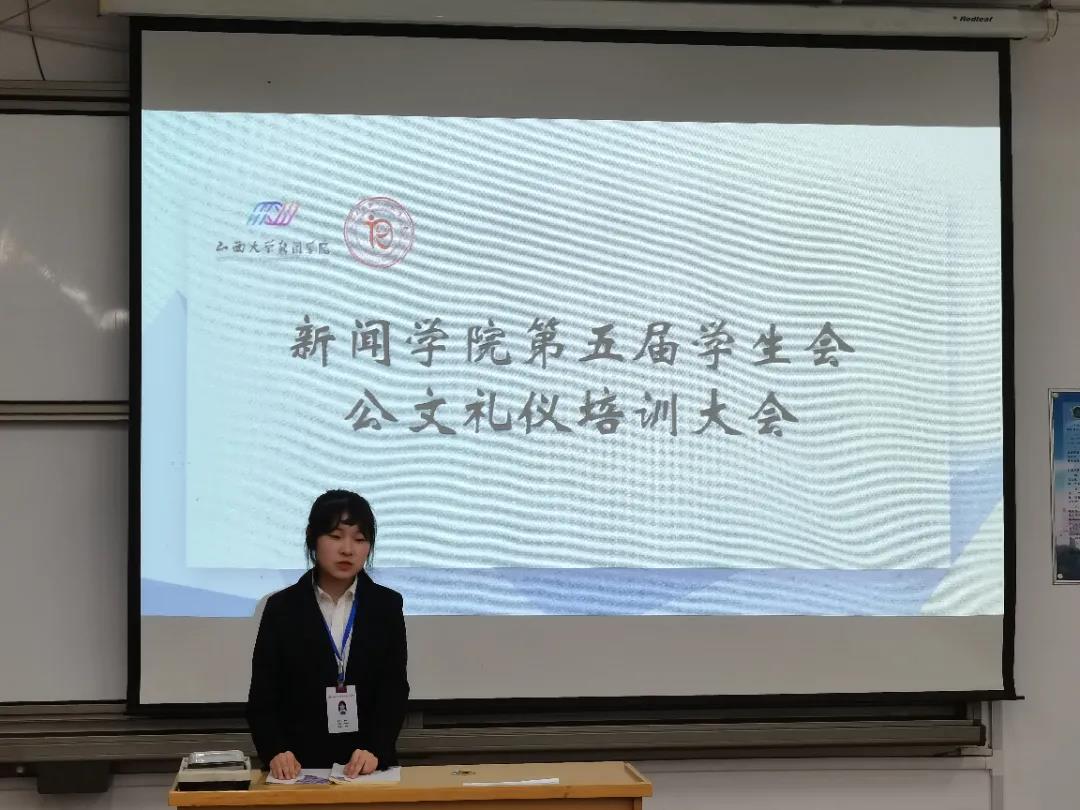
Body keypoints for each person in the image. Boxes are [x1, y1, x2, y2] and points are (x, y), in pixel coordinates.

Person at [247, 490, 409, 780]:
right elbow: (263, 693)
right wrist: (276, 751)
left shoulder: (386, 605)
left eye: (359, 539)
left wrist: (376, 749)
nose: (348, 549)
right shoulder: (282, 608)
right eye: (335, 536)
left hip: (367, 768)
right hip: (297, 769)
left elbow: (393, 689)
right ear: (313, 539)